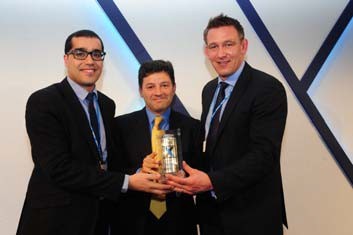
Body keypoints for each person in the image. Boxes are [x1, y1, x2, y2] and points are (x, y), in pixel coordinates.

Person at [16, 30, 171, 235]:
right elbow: (58, 167)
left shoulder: (107, 105)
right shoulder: (44, 101)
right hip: (55, 222)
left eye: (97, 54)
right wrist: (128, 182)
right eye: (80, 53)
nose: (90, 60)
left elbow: (106, 161)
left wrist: (139, 172)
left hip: (98, 220)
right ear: (66, 59)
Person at [166, 14, 288, 235]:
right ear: (206, 51)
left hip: (252, 215)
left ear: (244, 46)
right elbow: (211, 146)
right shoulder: (209, 90)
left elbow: (264, 155)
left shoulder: (268, 88)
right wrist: (185, 172)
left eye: (228, 44)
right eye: (213, 46)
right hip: (211, 215)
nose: (221, 54)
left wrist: (211, 181)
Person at [109, 60, 200, 235]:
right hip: (131, 221)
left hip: (179, 220)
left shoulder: (193, 126)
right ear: (141, 91)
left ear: (174, 88)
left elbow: (201, 169)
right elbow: (111, 170)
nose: (158, 92)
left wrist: (184, 176)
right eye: (150, 87)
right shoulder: (120, 126)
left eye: (164, 85)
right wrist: (138, 172)